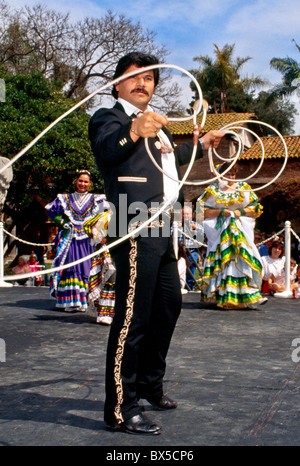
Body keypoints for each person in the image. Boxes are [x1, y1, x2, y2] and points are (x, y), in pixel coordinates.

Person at [89, 51, 224, 435]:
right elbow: (106, 149)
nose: (143, 83)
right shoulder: (109, 117)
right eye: (136, 77)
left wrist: (202, 145)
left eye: (150, 79)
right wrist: (134, 130)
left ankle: (148, 385)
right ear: (117, 83)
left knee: (168, 305)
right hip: (133, 221)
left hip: (163, 225)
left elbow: (167, 161)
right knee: (133, 316)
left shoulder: (156, 126)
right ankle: (121, 407)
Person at [198, 162, 267, 309]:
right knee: (223, 260)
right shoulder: (213, 190)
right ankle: (222, 294)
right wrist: (222, 212)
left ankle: (251, 295)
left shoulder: (243, 188)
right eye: (228, 173)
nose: (231, 176)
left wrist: (239, 212)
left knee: (245, 257)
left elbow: (255, 208)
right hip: (220, 232)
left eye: (233, 174)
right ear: (221, 174)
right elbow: (200, 211)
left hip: (239, 230)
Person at [45, 170, 108, 312]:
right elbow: (50, 210)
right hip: (71, 237)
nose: (83, 184)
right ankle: (70, 300)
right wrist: (62, 222)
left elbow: (107, 212)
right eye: (80, 181)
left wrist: (98, 227)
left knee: (87, 267)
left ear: (90, 184)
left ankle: (84, 300)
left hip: (87, 239)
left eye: (86, 182)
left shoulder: (95, 198)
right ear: (76, 181)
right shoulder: (66, 198)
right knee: (70, 267)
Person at [84, 208, 116, 325]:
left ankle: (117, 313)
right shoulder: (106, 215)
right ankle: (105, 314)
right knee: (110, 278)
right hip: (108, 252)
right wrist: (99, 238)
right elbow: (88, 225)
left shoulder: (128, 213)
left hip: (123, 250)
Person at [180, 205, 203, 291]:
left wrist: (195, 229)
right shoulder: (176, 225)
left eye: (187, 214)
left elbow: (203, 236)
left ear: (191, 215)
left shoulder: (196, 225)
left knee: (191, 275)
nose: (185, 216)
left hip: (191, 252)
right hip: (180, 253)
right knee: (179, 273)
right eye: (183, 214)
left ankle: (190, 291)